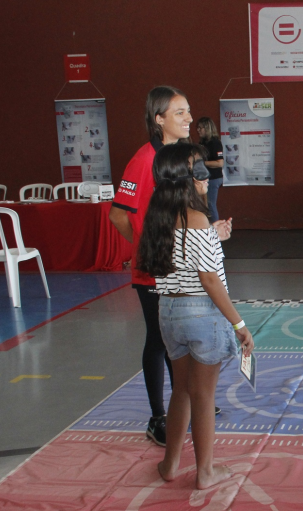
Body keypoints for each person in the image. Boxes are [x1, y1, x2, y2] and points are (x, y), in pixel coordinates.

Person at [136, 143, 254, 490]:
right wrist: (239, 323)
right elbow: (210, 279)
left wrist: (213, 236)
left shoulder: (160, 216)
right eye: (198, 168)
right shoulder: (197, 217)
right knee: (204, 396)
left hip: (169, 312)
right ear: (184, 178)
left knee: (182, 392)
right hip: (201, 312)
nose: (206, 175)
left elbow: (185, 257)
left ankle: (170, 464)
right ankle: (205, 471)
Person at [110, 86, 193, 446]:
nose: (189, 118)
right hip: (153, 270)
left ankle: (183, 404)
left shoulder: (182, 157)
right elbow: (118, 215)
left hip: (182, 267)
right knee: (158, 340)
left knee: (180, 336)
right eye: (180, 113)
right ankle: (158, 416)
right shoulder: (143, 160)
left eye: (189, 111)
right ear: (159, 119)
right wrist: (147, 248)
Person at [195, 117, 225, 221]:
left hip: (213, 178)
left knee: (211, 204)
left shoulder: (215, 143)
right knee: (206, 205)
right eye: (197, 128)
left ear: (207, 128)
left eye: (200, 128)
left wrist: (202, 163)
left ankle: (215, 233)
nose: (198, 130)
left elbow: (220, 163)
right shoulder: (202, 143)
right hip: (206, 178)